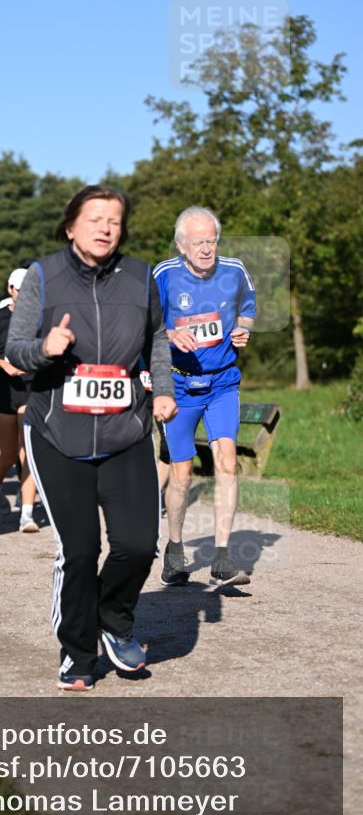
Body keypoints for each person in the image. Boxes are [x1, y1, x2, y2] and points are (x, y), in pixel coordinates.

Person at [6, 185, 177, 691]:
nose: (106, 228)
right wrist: (46, 347)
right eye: (96, 218)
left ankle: (114, 620)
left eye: (116, 221)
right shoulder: (43, 275)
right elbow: (15, 351)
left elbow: (158, 338)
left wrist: (163, 390)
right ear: (70, 226)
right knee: (80, 550)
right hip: (59, 432)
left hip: (125, 428)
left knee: (138, 544)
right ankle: (78, 652)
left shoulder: (141, 275)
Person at [153, 206, 256, 588]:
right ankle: (175, 549)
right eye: (199, 242)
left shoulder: (234, 270)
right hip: (179, 385)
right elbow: (144, 323)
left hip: (222, 382)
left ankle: (223, 556)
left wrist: (243, 330)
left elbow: (247, 309)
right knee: (181, 472)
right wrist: (168, 333)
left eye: (211, 240)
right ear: (182, 245)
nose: (207, 248)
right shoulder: (163, 276)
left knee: (227, 461)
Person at [0, 267, 40, 532]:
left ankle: (27, 513)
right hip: (3, 390)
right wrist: (3, 364)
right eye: (20, 290)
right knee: (9, 454)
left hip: (31, 389)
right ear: (11, 290)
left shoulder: (41, 319)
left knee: (29, 454)